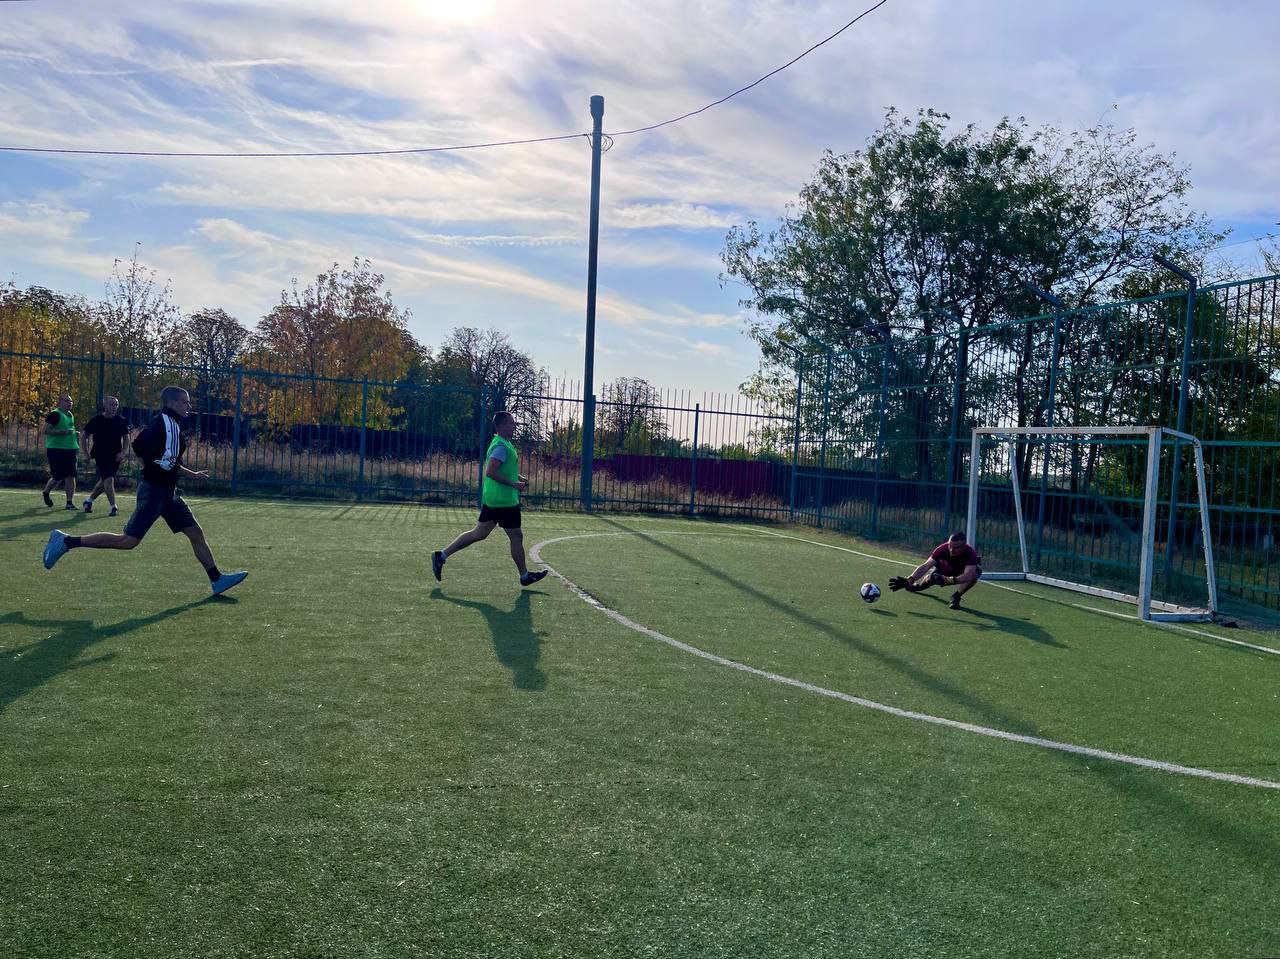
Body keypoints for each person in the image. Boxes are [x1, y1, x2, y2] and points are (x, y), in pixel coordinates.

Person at [42, 386, 248, 597]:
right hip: (155, 491)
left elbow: (155, 453)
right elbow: (149, 451)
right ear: (172, 403)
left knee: (195, 532)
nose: (189, 406)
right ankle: (66, 541)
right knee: (128, 541)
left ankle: (216, 579)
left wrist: (188, 473)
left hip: (168, 492)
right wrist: (149, 465)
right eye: (185, 402)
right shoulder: (165, 423)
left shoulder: (169, 423)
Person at [431, 410, 548, 588]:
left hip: (495, 499)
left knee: (479, 533)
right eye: (510, 423)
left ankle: (441, 556)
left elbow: (502, 468)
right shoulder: (501, 446)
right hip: (504, 501)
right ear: (501, 426)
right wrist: (513, 484)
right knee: (516, 536)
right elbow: (491, 471)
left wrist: (517, 477)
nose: (514, 426)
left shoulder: (503, 443)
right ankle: (524, 576)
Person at [889, 531, 983, 610]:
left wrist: (949, 580)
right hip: (944, 570)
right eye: (950, 545)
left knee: (975, 575)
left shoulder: (970, 553)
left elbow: (969, 575)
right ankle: (918, 587)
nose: (951, 549)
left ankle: (956, 596)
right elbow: (926, 566)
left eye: (955, 547)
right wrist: (910, 579)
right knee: (931, 579)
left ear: (964, 546)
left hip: (960, 573)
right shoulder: (942, 548)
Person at [81, 395, 131, 516]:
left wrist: (123, 452)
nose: (114, 407)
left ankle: (89, 501)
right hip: (100, 455)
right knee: (109, 479)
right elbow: (84, 436)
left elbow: (126, 438)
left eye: (116, 405)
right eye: (111, 404)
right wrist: (86, 453)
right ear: (104, 405)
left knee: (105, 481)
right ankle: (113, 507)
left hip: (115, 456)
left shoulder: (121, 420)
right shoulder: (96, 420)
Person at [39, 392, 79, 510]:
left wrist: (74, 433)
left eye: (70, 401)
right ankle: (46, 492)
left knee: (71, 475)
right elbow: (45, 431)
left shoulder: (70, 415)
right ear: (60, 403)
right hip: (56, 449)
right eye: (67, 401)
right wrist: (62, 432)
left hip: (71, 449)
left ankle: (69, 503)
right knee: (58, 476)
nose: (70, 403)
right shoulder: (55, 414)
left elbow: (68, 429)